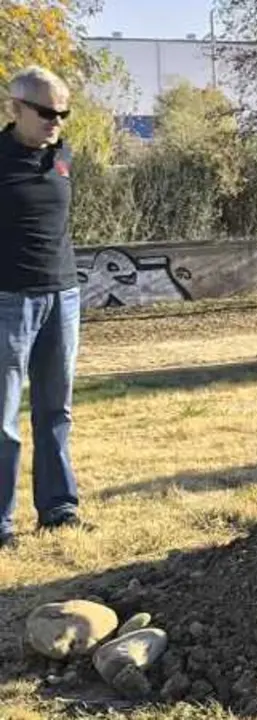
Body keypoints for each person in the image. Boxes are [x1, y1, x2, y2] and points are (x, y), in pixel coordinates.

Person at [0, 67, 83, 549]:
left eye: (63, 113)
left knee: (56, 409)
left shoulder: (62, 157)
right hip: (9, 300)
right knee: (3, 417)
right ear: (17, 108)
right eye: (47, 112)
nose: (56, 121)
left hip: (63, 297)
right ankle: (2, 522)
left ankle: (58, 507)